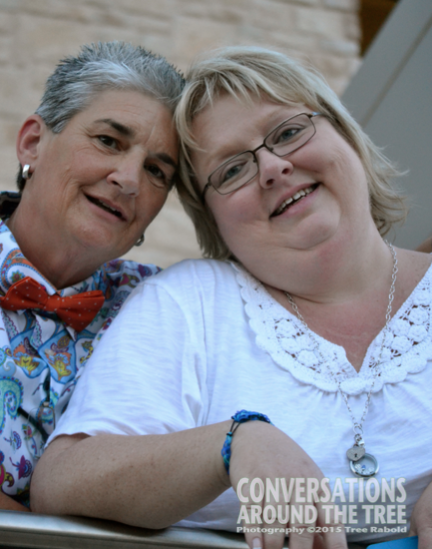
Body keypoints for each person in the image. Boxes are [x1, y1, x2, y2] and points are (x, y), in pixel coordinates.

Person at [31, 46, 432, 549]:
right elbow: (60, 483)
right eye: (232, 169)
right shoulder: (189, 302)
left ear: (347, 136)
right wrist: (232, 442)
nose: (272, 168)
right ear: (213, 219)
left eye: (288, 132)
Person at [0, 41, 183, 510]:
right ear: (33, 142)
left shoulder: (165, 309)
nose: (129, 180)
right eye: (109, 141)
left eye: (156, 170)